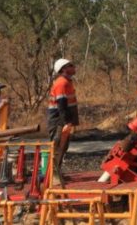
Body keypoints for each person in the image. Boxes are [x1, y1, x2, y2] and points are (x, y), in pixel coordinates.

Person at [46, 58, 79, 186]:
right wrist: (65, 123)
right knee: (57, 147)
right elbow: (61, 106)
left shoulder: (67, 82)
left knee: (63, 147)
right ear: (64, 69)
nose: (74, 67)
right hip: (58, 121)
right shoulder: (61, 83)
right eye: (71, 65)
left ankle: (57, 172)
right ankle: (53, 176)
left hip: (64, 121)